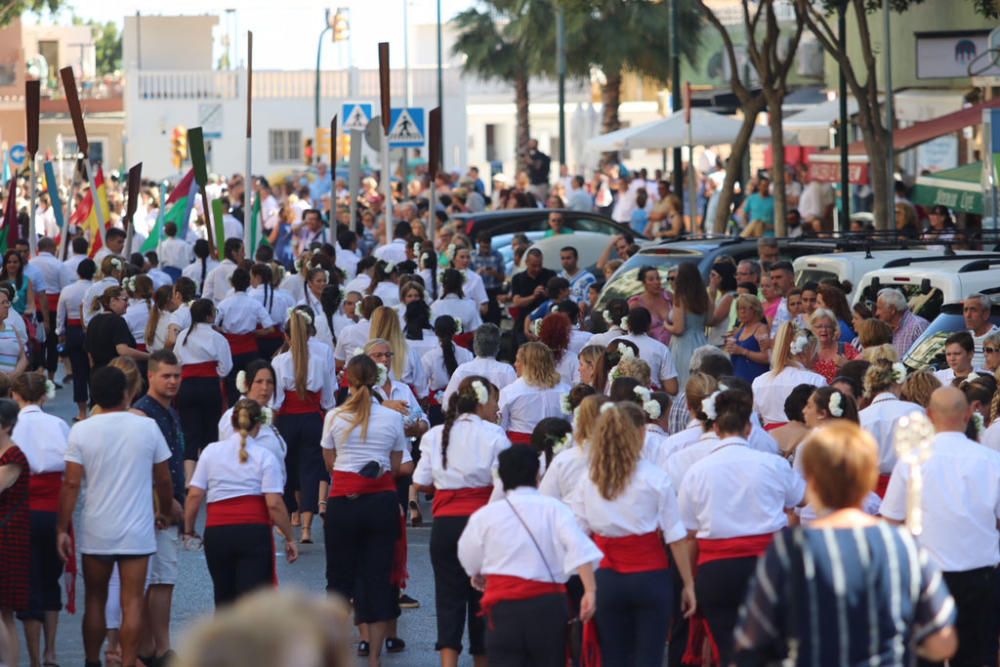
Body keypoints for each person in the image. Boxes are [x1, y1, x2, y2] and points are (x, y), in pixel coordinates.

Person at [733, 421, 958, 665]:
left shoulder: (790, 550)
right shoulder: (902, 545)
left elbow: (751, 640)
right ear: (869, 478)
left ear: (813, 482)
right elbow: (942, 641)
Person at [677, 388, 806, 665]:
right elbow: (802, 498)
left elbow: (689, 535)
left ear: (714, 427)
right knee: (772, 647)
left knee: (728, 650)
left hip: (717, 571)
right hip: (767, 565)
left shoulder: (697, 472)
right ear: (749, 428)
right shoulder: (772, 464)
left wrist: (690, 583)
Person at [57, 366, 174, 667]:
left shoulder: (81, 429)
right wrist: (162, 511)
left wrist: (62, 528)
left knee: (95, 598)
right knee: (133, 600)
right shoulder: (146, 427)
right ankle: (128, 660)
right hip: (137, 529)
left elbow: (70, 483)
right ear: (126, 393)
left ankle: (92, 660)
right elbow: (163, 478)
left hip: (98, 527)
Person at [568, 401, 696, 665]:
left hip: (607, 579)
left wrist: (589, 588)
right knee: (648, 657)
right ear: (640, 433)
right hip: (650, 577)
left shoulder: (590, 479)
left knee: (614, 657)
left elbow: (577, 537)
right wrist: (688, 583)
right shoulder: (655, 477)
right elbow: (675, 537)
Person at [881, 386, 1000, 667]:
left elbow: (891, 521)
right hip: (980, 576)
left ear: (929, 415)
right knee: (976, 657)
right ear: (968, 414)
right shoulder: (991, 461)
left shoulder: (911, 462)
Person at [457, 444, 600, 667]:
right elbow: (580, 549)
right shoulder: (556, 509)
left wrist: (476, 573)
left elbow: (468, 555)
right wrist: (590, 590)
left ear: (501, 477)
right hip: (547, 603)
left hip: (503, 606)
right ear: (537, 474)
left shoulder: (486, 515)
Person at [412, 377, 509, 667]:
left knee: (448, 597)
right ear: (481, 402)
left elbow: (420, 480)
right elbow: (502, 484)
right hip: (482, 522)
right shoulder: (495, 435)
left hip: (445, 524)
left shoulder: (436, 435)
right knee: (483, 599)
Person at [321, 355, 407, 667]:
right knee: (380, 577)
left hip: (344, 502)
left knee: (339, 578)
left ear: (349, 380)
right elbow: (396, 466)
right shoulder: (392, 418)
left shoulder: (334, 416)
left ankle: (338, 651)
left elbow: (330, 463)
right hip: (380, 501)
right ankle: (374, 658)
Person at [184, 399, 297, 607]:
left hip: (218, 532)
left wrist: (188, 529)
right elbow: (274, 504)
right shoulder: (265, 456)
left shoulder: (210, 451)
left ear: (232, 422)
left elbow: (194, 495)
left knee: (224, 598)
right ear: (259, 425)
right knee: (252, 602)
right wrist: (290, 536)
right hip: (253, 532)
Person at [11, 374, 70, 667]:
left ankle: (35, 658)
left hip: (21, 510)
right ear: (44, 397)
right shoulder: (58, 425)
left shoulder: (12, 426)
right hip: (54, 508)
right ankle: (51, 652)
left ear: (15, 396)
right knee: (51, 579)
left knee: (29, 583)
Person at [131, 351, 185, 666]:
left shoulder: (170, 411)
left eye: (177, 375)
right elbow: (145, 466)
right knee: (154, 579)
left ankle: (158, 645)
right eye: (166, 375)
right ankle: (155, 647)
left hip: (170, 505)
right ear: (150, 376)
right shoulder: (143, 413)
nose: (173, 381)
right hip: (154, 509)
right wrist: (163, 503)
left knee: (164, 578)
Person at [272, 306, 336, 544]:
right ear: (309, 334)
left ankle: (291, 516)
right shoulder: (319, 361)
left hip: (288, 419)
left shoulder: (279, 362)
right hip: (312, 419)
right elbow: (328, 400)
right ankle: (308, 528)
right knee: (311, 471)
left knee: (286, 469)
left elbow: (276, 400)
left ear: (287, 336)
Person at [174, 299, 234, 483]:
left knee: (190, 432)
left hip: (186, 387)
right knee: (209, 431)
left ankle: (189, 479)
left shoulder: (183, 335)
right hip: (208, 386)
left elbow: (176, 361)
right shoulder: (217, 337)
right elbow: (226, 367)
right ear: (209, 316)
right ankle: (208, 478)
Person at [859, 359, 925, 497]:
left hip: (871, 492)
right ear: (897, 382)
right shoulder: (914, 411)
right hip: (907, 487)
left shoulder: (861, 417)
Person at [216, 267, 274, 402]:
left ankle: (233, 411)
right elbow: (270, 328)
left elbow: (213, 324)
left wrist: (224, 332)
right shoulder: (254, 304)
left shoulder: (224, 304)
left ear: (232, 284)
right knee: (252, 381)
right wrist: (254, 333)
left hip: (231, 349)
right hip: (250, 348)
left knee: (232, 385)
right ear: (248, 284)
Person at [752, 323, 826, 428]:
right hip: (805, 438)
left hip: (771, 439)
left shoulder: (759, 382)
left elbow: (755, 418)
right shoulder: (816, 380)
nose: (817, 358)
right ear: (804, 353)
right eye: (814, 352)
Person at [0, 399, 27, 667]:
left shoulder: (13, 456)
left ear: (7, 426)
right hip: (7, 535)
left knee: (4, 610)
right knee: (4, 612)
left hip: (8, 537)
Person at [499, 342, 570, 445]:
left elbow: (501, 427)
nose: (515, 364)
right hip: (556, 448)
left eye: (518, 361)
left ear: (528, 364)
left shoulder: (510, 392)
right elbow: (570, 423)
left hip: (521, 450)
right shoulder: (565, 390)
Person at [57, 257, 96, 420]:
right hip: (92, 331)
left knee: (79, 373)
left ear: (78, 272)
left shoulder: (67, 290)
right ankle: (95, 408)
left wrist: (60, 333)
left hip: (73, 332)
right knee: (94, 372)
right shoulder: (95, 289)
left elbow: (61, 315)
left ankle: (81, 413)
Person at [440, 324, 516, 407]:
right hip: (499, 418)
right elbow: (514, 404)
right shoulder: (507, 371)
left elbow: (447, 404)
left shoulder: (462, 370)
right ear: (498, 346)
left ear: (475, 345)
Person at [665, 263, 710, 390]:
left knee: (683, 382)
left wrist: (666, 325)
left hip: (683, 345)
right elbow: (709, 320)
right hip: (701, 340)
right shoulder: (704, 297)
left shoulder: (680, 298)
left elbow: (679, 329)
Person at [85, 286, 148, 371]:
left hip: (97, 373)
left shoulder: (93, 321)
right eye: (125, 299)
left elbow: (90, 355)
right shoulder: (117, 321)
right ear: (113, 301)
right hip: (115, 373)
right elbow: (123, 351)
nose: (128, 303)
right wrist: (150, 356)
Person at [423, 316, 474, 421]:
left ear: (436, 332)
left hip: (438, 408)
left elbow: (422, 383)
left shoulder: (429, 357)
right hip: (462, 405)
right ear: (455, 331)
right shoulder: (467, 354)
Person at [620, 306, 679, 394]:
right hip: (650, 399)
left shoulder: (615, 343)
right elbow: (672, 389)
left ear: (628, 324)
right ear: (649, 325)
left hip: (618, 396)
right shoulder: (660, 348)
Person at [509, 249, 556, 345]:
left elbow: (556, 297)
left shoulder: (550, 275)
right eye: (534, 266)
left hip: (546, 320)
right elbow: (517, 301)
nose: (537, 269)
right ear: (526, 262)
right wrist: (533, 296)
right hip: (523, 321)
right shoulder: (518, 279)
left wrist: (548, 293)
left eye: (539, 265)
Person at [726, 294, 771, 384]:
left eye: (746, 308)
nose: (742, 312)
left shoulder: (761, 329)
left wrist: (743, 351)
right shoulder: (741, 330)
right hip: (738, 381)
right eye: (739, 308)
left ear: (755, 309)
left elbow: (767, 357)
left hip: (755, 380)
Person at [875, 288, 929, 359]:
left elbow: (927, 358)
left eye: (880, 308)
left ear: (892, 310)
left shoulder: (918, 326)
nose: (877, 313)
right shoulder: (889, 329)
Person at [627, 266, 673, 345]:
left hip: (673, 346)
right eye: (651, 279)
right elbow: (630, 330)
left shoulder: (669, 297)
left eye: (658, 278)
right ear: (644, 283)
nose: (656, 282)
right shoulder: (636, 303)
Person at [810, 308, 858, 384]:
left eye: (828, 326)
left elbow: (862, 373)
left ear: (833, 329)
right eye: (819, 326)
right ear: (812, 329)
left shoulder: (846, 348)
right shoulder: (807, 353)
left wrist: (847, 366)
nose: (824, 330)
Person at [431, 269, 482, 336]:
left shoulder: (435, 306)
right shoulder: (470, 305)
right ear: (461, 284)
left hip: (441, 345)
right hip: (465, 345)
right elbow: (477, 331)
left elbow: (431, 331)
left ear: (443, 285)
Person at [0, 285, 26, 375]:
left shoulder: (12, 328)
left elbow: (23, 357)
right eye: (3, 303)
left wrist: (13, 376)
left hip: (11, 385)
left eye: (7, 302)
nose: (7, 306)